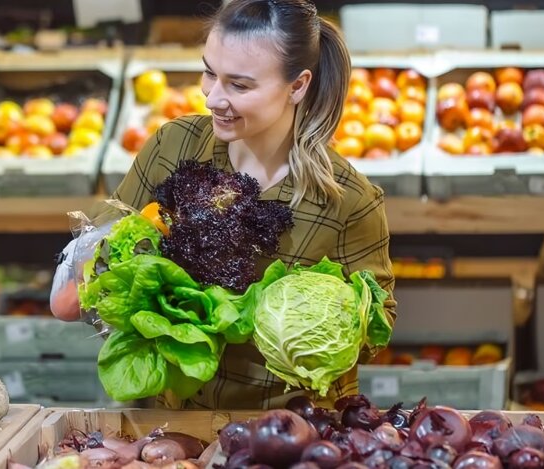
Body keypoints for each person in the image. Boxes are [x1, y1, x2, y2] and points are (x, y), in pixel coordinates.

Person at [50, 0, 396, 410]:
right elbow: (96, 261)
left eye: (239, 85)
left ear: (298, 85)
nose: (213, 98)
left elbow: (377, 326)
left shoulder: (347, 201)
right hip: (173, 421)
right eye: (209, 72)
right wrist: (104, 268)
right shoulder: (172, 145)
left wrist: (299, 327)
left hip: (290, 428)